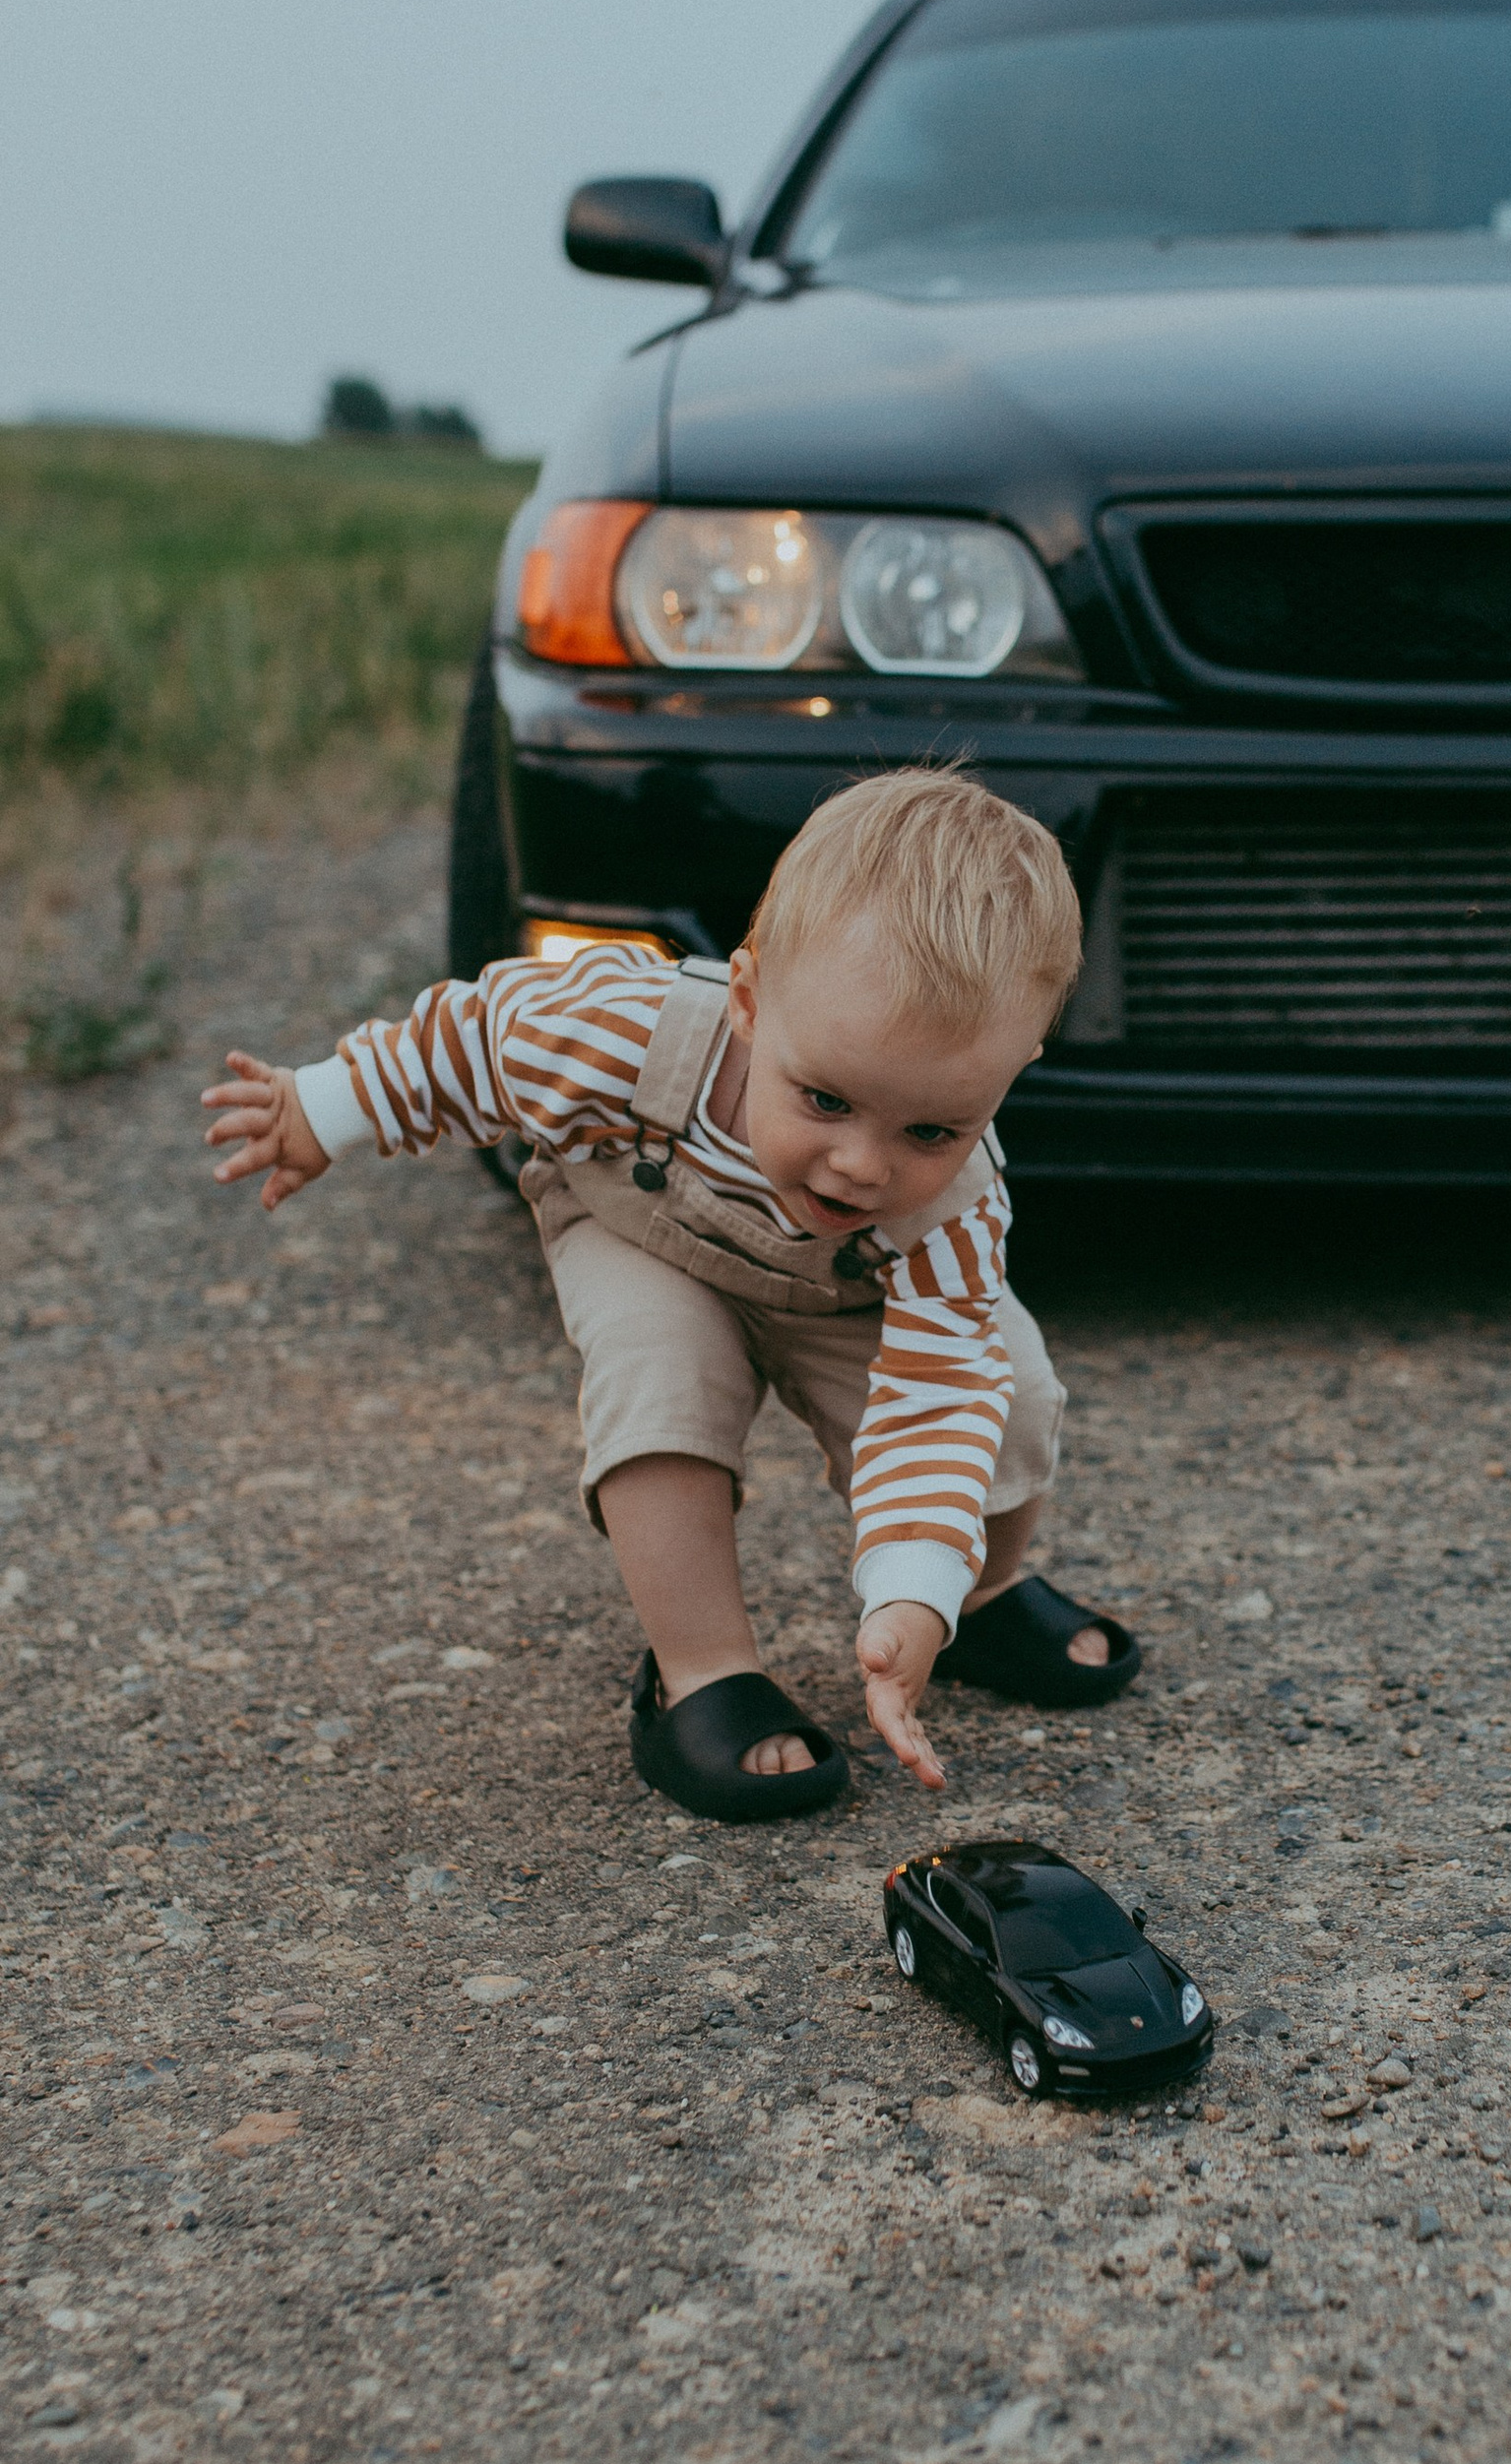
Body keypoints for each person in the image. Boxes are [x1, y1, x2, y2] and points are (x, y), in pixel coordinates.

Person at [200, 768, 1135, 1820]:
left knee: (1008, 1391)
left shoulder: (953, 1211)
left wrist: (909, 1586)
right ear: (748, 1001)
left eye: (931, 1129)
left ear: (1010, 1073)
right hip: (645, 1233)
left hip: (843, 1295)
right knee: (663, 1384)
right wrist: (324, 1108)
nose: (862, 1166)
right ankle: (703, 1674)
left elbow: (937, 1396)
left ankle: (970, 1596)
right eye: (825, 1099)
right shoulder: (626, 1030)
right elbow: (474, 1044)